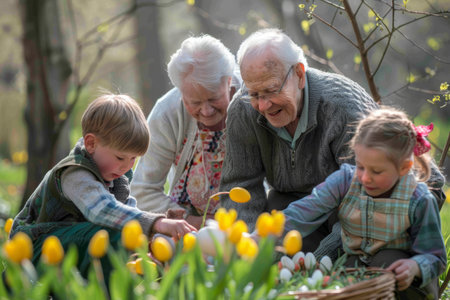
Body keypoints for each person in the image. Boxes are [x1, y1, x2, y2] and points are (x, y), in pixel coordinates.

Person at [219, 28, 378, 251]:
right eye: (254, 94)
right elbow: (239, 186)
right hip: (293, 209)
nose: (263, 105)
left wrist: (324, 259)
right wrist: (246, 249)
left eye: (271, 90)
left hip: (356, 211)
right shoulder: (243, 108)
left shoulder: (343, 109)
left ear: (300, 75)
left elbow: (368, 201)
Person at [10, 93, 196, 281]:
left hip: (69, 242)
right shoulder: (75, 173)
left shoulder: (116, 176)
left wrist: (147, 241)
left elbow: (127, 213)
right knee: (110, 237)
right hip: (32, 248)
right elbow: (102, 210)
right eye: (120, 157)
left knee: (124, 236)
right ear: (91, 143)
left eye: (134, 158)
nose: (127, 166)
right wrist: (157, 223)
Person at [283, 107, 446, 299]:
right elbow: (303, 211)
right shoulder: (346, 180)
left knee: (386, 262)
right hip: (357, 264)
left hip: (402, 279)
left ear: (404, 167)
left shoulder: (418, 200)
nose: (365, 178)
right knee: (346, 268)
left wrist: (416, 266)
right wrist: (262, 235)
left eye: (376, 171)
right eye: (360, 166)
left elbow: (436, 257)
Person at [131, 35, 241, 229]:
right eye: (195, 103)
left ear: (229, 81)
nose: (206, 111)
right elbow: (143, 190)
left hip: (247, 220)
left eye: (214, 99)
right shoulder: (166, 113)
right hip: (185, 225)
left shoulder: (252, 99)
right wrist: (191, 222)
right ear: (181, 91)